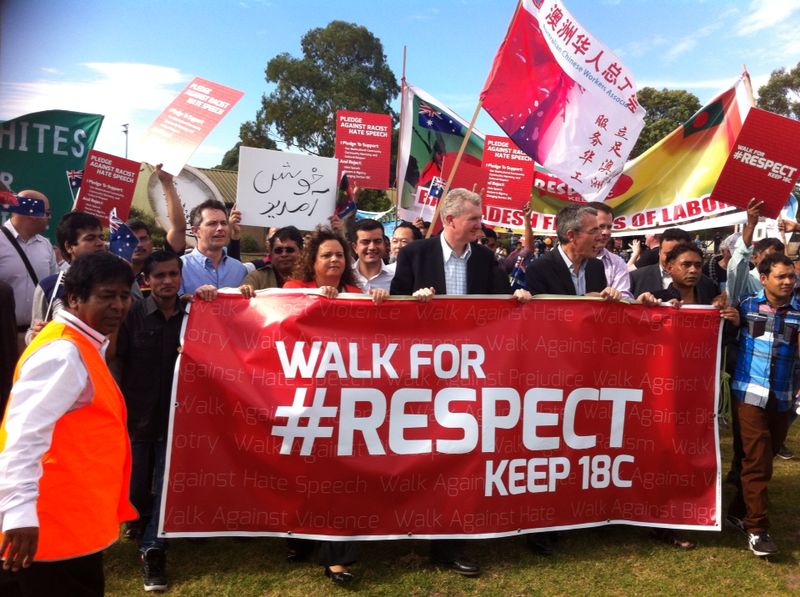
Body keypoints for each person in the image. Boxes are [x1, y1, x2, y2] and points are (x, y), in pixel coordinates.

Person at [390, 188, 531, 577]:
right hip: (423, 375)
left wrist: (516, 295)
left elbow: (503, 301)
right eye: (473, 219)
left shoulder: (486, 258)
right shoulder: (414, 255)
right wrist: (411, 300)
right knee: (421, 452)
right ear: (450, 220)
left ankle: (449, 543)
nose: (480, 225)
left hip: (472, 376)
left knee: (460, 455)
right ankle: (410, 527)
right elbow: (395, 308)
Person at [0, 252, 137, 596]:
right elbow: (22, 436)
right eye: (107, 296)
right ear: (74, 298)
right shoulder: (64, 353)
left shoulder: (81, 344)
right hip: (49, 532)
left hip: (68, 526)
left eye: (124, 296)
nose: (119, 306)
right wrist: (18, 513)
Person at [282, 226, 386, 585]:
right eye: (326, 255)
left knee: (339, 480)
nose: (334, 261)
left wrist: (378, 305)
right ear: (312, 260)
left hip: (346, 402)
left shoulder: (356, 294)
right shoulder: (293, 291)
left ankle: (337, 557)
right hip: (307, 400)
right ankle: (303, 538)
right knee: (307, 476)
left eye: (339, 255)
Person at [115, 251, 216, 592]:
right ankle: (142, 524)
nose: (167, 281)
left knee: (167, 490)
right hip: (136, 418)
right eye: (159, 276)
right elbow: (115, 361)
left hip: (179, 420)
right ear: (146, 280)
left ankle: (153, 549)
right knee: (135, 490)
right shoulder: (131, 315)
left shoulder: (196, 314)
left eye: (173, 274)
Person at [727, 253, 799, 557]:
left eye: (791, 277)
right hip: (748, 393)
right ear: (765, 277)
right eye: (781, 276)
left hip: (783, 395)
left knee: (764, 455)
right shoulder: (745, 304)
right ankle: (757, 529)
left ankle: (737, 511)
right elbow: (734, 270)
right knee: (758, 458)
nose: (787, 282)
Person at [25, 211, 107, 345]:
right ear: (69, 246)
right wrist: (35, 335)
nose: (99, 243)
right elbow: (33, 330)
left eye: (101, 237)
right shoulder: (49, 286)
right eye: (90, 238)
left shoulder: (118, 280)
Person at [0, 189, 57, 350]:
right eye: (47, 212)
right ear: (33, 212)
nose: (49, 217)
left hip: (36, 337)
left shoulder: (45, 245)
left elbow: (53, 288)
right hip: (3, 337)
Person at [525, 205, 619, 300]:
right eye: (593, 231)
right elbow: (542, 312)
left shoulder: (597, 267)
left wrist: (611, 298)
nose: (600, 237)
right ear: (571, 235)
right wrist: (583, 300)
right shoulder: (539, 270)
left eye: (598, 230)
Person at [179, 199, 247, 296]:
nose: (220, 228)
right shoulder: (180, 267)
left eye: (224, 223)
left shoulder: (239, 269)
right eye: (212, 223)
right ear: (195, 231)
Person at [727, 199, 784, 306]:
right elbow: (739, 260)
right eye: (769, 257)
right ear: (754, 258)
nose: (774, 262)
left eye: (779, 258)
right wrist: (751, 226)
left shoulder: (787, 284)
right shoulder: (745, 280)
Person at [586, 202, 632, 299]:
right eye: (601, 226)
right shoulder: (571, 259)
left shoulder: (617, 262)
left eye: (609, 227)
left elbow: (625, 299)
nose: (606, 232)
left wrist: (616, 296)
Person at [240, 226, 303, 295]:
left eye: (289, 250)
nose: (284, 254)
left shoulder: (313, 278)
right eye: (278, 250)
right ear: (271, 253)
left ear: (301, 251)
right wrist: (245, 291)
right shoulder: (256, 279)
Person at [629, 228, 692, 296]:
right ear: (659, 252)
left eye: (679, 254)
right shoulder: (636, 278)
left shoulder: (702, 282)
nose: (672, 259)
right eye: (668, 254)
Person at [350, 219, 395, 292]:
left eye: (377, 241)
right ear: (355, 247)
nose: (372, 247)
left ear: (384, 244)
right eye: (365, 242)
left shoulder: (396, 278)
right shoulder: (344, 277)